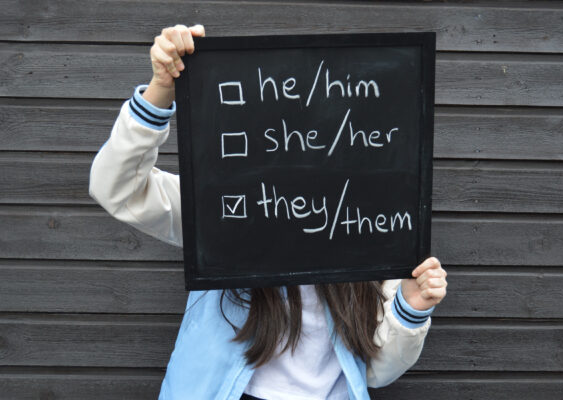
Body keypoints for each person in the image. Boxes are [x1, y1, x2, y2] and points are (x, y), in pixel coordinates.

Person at [88, 24, 448, 400]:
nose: (308, 147)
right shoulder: (223, 203)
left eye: (325, 134)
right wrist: (161, 88)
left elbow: (377, 371)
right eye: (294, 133)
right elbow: (115, 188)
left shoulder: (373, 225)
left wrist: (411, 307)